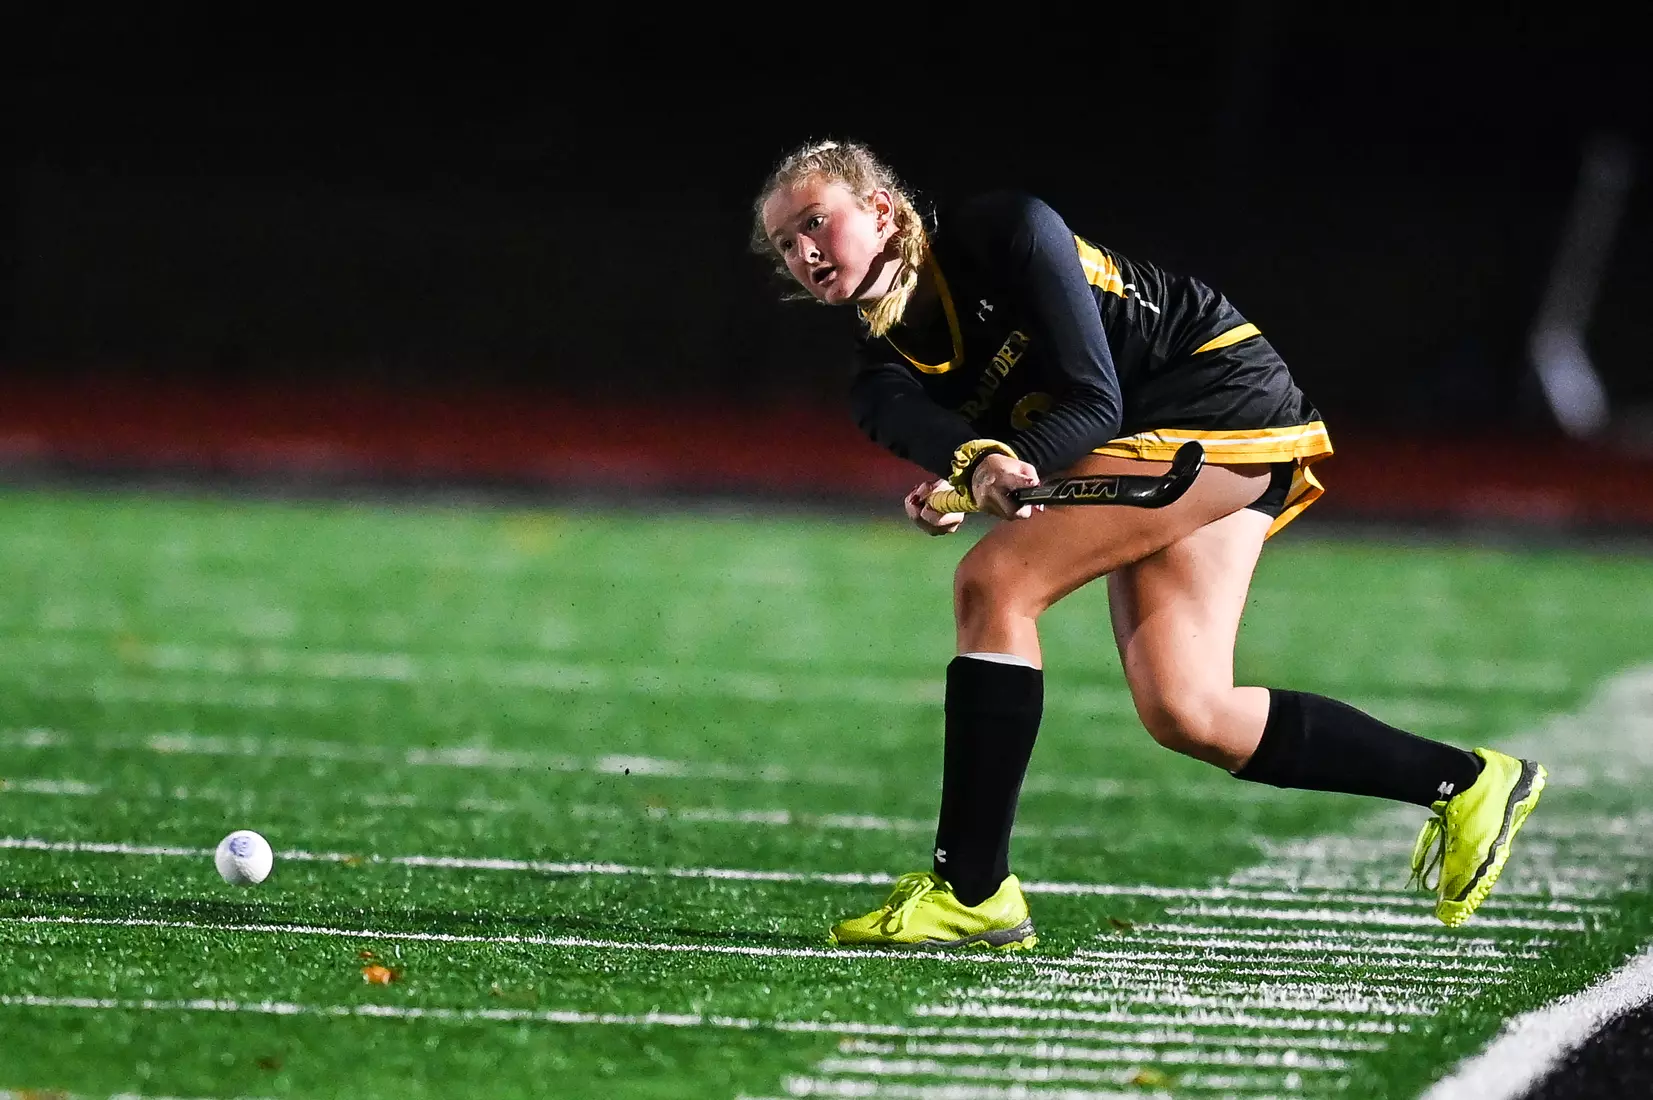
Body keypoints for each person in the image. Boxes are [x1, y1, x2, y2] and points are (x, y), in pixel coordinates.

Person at [751, 139, 1546, 950]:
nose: (803, 252)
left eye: (815, 222)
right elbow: (968, 451)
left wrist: (988, 470)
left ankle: (972, 888)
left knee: (993, 583)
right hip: (1149, 445)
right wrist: (971, 470)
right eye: (785, 243)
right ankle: (1467, 782)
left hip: (1211, 393)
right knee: (1187, 710)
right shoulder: (878, 381)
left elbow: (1094, 402)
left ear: (880, 209)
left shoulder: (1002, 232)